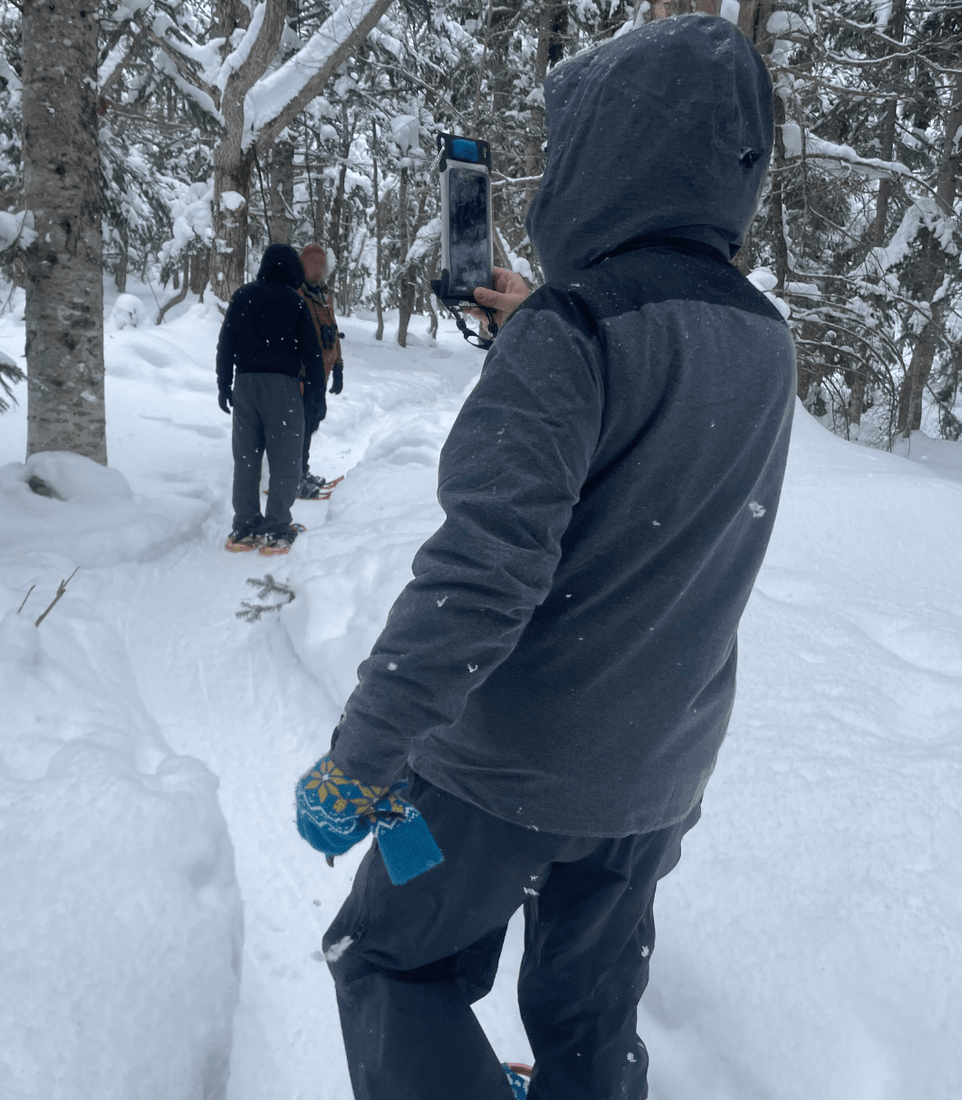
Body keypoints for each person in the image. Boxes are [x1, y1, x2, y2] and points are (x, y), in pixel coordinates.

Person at [294, 14, 796, 1100]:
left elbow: (483, 574)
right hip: (656, 767)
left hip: (508, 765)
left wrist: (362, 754)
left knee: (389, 960)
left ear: (606, 155)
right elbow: (662, 444)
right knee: (586, 1010)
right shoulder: (760, 333)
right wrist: (540, 323)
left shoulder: (574, 331)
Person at [216, 243, 324, 555]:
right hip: (284, 388)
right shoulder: (296, 302)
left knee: (247, 459)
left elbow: (226, 345)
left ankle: (245, 527)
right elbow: (312, 354)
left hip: (246, 386)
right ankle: (277, 529)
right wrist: (316, 396)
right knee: (285, 459)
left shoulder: (243, 296)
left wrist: (224, 385)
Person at [296, 243, 345, 498]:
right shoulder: (297, 295)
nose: (318, 269)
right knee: (302, 426)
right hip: (303, 376)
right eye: (313, 264)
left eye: (321, 265)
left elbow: (333, 332)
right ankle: (296, 477)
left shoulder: (324, 298)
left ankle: (302, 471)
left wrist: (338, 368)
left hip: (322, 375)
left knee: (314, 420)